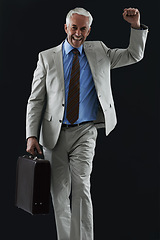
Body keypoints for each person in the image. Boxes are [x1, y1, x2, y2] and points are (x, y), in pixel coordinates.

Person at [26, 7, 148, 240]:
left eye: (83, 29)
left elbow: (134, 55)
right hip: (54, 135)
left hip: (85, 132)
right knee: (59, 195)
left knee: (81, 187)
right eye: (74, 28)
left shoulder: (100, 51)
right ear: (66, 28)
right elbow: (36, 99)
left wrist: (135, 26)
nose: (78, 33)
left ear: (89, 30)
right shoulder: (47, 57)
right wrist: (31, 135)